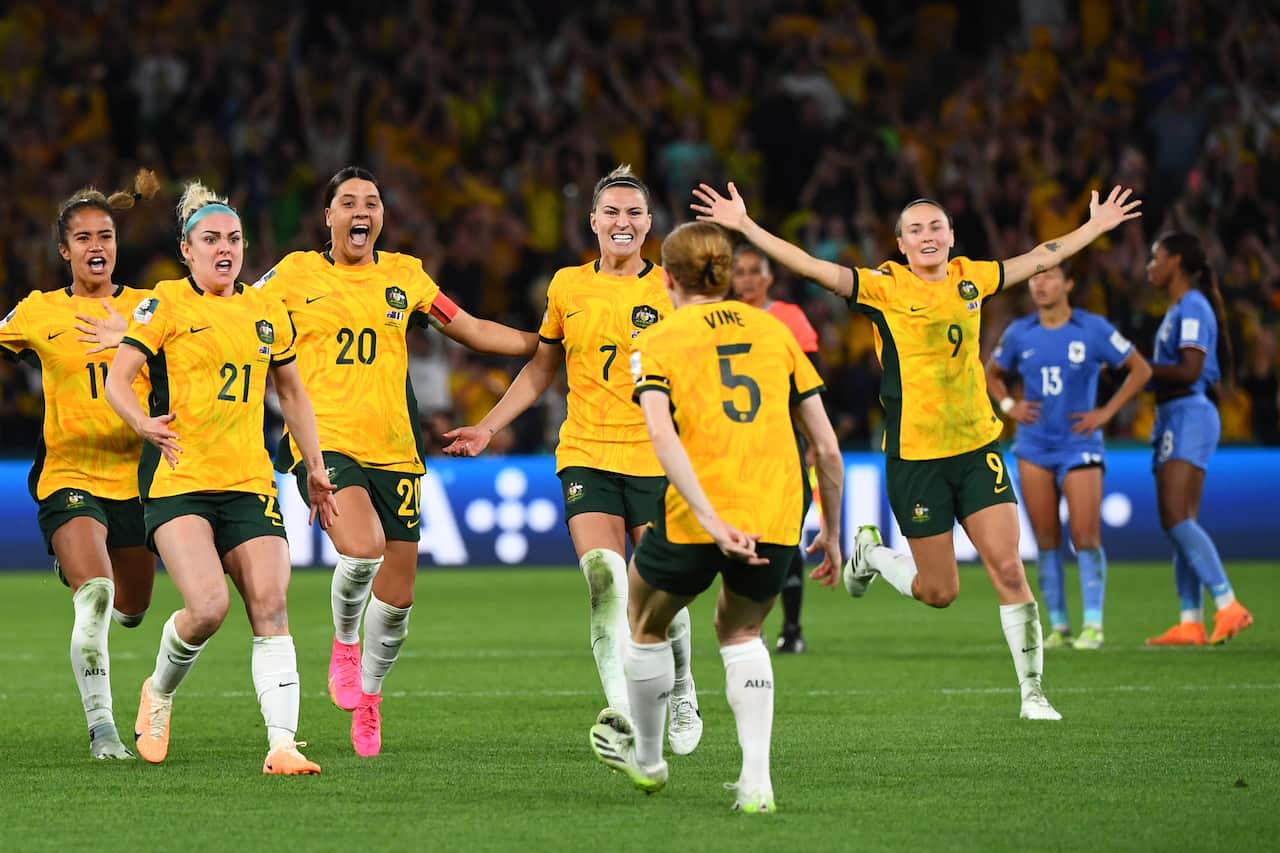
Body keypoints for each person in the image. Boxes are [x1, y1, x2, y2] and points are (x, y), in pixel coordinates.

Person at [693, 182, 1142, 720]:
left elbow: (1040, 256)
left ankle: (1034, 694)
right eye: (915, 230)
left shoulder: (972, 278)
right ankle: (871, 555)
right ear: (901, 244)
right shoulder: (884, 286)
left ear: (951, 236)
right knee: (939, 591)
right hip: (916, 457)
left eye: (935, 227)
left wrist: (1094, 227)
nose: (927, 235)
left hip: (977, 448)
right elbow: (812, 267)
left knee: (1008, 568)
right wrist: (746, 226)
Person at [255, 166, 538, 757]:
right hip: (326, 441)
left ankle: (370, 697)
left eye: (372, 202)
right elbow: (234, 316)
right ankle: (343, 643)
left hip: (395, 447)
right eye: (348, 202)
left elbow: (471, 329)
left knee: (399, 599)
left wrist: (550, 342)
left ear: (381, 217)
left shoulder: (406, 276)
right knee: (362, 549)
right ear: (328, 216)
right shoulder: (292, 273)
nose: (362, 211)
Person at [444, 166, 704, 756]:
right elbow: (542, 369)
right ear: (592, 221)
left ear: (650, 224)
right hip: (585, 453)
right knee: (605, 580)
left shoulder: (673, 288)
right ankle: (624, 713)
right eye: (611, 211)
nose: (622, 221)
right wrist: (487, 427)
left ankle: (683, 685)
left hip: (656, 456)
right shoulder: (567, 286)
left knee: (660, 587)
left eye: (633, 212)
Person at [587, 221, 844, 812]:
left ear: (668, 279)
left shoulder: (660, 339)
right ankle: (756, 782)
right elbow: (828, 449)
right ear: (727, 274)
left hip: (696, 513)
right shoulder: (775, 333)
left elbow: (660, 433)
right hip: (774, 509)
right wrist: (830, 530)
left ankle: (648, 760)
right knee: (742, 632)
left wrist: (708, 517)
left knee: (644, 621)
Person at [105, 181, 338, 774]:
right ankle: (158, 691)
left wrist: (315, 466)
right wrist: (143, 423)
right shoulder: (164, 303)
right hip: (179, 479)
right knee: (208, 608)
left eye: (233, 238)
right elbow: (117, 380)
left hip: (248, 482)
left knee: (271, 605)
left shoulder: (265, 310)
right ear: (187, 249)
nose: (224, 248)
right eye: (210, 239)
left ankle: (282, 745)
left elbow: (292, 393)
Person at [0, 171, 159, 759]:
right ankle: (104, 730)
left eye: (106, 235)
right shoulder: (38, 311)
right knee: (95, 594)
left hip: (136, 483)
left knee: (132, 608)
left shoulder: (149, 309)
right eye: (84, 237)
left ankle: (99, 585)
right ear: (64, 250)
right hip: (68, 476)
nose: (97, 246)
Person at [985, 262, 1152, 649]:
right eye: (1035, 277)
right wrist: (1009, 405)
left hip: (1080, 444)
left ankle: (1093, 624)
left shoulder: (1092, 328)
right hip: (1033, 446)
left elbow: (1140, 369)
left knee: (1085, 535)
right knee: (1045, 539)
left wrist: (1106, 413)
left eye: (1050, 276)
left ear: (1069, 283)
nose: (1040, 284)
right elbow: (991, 372)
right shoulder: (1020, 332)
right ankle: (1059, 627)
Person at [1143, 232, 1253, 646]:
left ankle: (1228, 605)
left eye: (1156, 257)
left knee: (1175, 517)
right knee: (1181, 521)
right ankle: (1191, 621)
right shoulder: (1181, 308)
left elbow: (1190, 369)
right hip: (1177, 414)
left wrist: (1139, 368)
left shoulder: (1191, 306)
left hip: (1188, 413)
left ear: (1176, 261)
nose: (1150, 266)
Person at [731, 244, 821, 654]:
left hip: (785, 441)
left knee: (785, 534)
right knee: (744, 535)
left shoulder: (789, 317)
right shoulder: (723, 319)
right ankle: (751, 625)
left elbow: (809, 385)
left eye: (755, 271)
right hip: (736, 445)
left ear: (769, 277)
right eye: (740, 271)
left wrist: (815, 440)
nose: (747, 279)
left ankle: (792, 627)